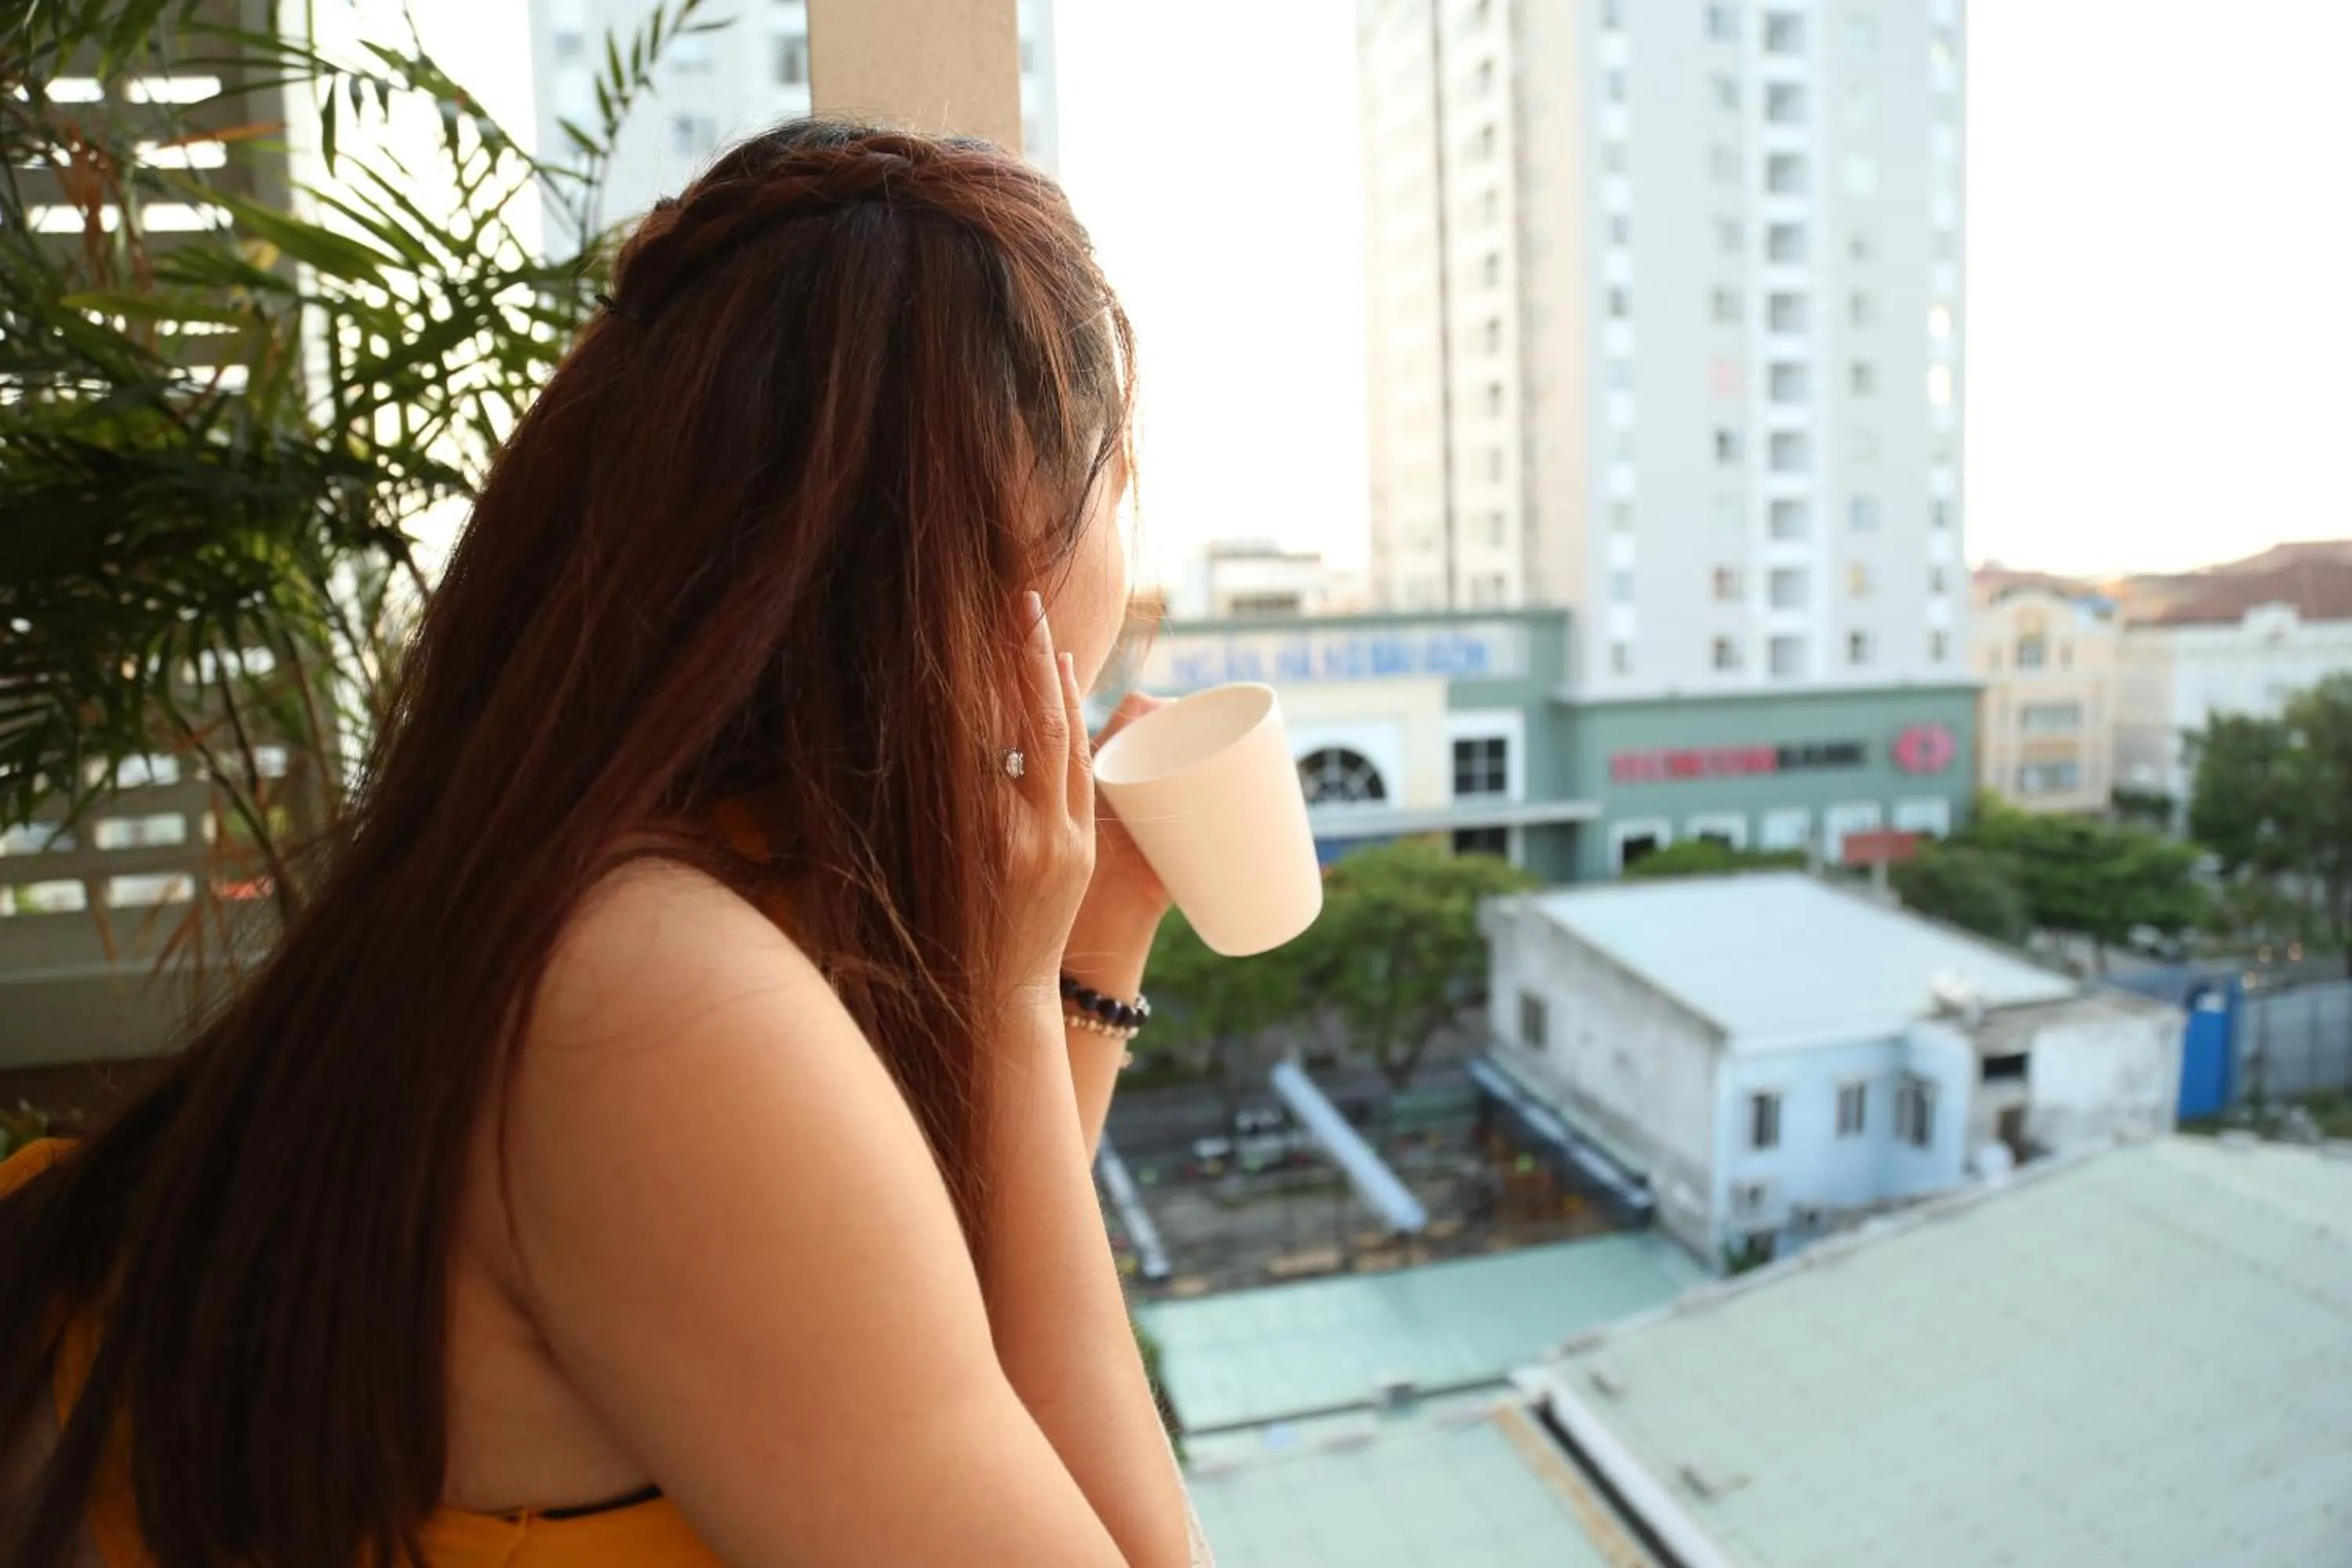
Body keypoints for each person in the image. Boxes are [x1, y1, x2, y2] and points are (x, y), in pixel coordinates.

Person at [0, 121, 1210, 1566]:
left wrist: (1086, 952)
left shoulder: (612, 876)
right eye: (1115, 487)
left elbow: (953, 1331)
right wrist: (1014, 1002)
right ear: (1000, 558)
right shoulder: (659, 1003)